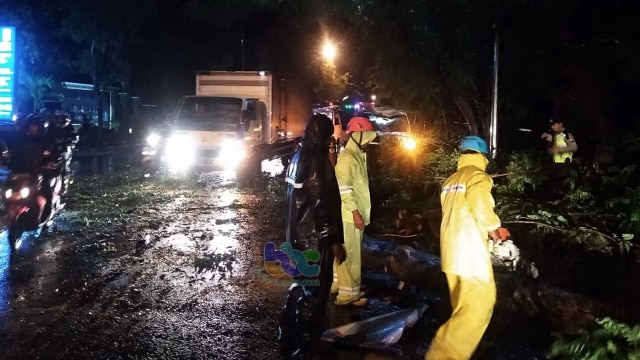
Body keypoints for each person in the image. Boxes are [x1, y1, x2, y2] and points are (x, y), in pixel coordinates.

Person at [425, 135, 502, 360]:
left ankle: (462, 350)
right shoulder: (479, 176)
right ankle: (443, 354)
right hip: (470, 253)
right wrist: (495, 226)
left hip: (450, 253)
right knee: (481, 303)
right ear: (482, 156)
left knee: (462, 308)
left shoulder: (450, 181)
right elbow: (480, 204)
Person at [278, 114, 347, 357]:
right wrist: (334, 239)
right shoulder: (317, 162)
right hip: (315, 241)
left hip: (296, 238)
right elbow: (321, 204)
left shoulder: (297, 157)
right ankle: (305, 348)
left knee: (300, 286)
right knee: (314, 295)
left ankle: (287, 336)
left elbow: (294, 202)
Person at [331, 116, 377, 307]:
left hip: (352, 214)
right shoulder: (348, 158)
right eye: (365, 135)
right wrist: (356, 214)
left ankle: (339, 285)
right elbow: (345, 190)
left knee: (344, 253)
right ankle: (348, 295)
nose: (368, 140)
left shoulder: (356, 155)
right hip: (350, 215)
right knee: (351, 254)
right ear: (356, 134)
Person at [541, 118, 577, 195]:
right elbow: (553, 147)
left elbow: (574, 147)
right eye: (551, 125)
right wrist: (550, 140)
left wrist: (559, 149)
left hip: (564, 164)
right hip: (555, 163)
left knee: (561, 183)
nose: (552, 126)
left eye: (554, 124)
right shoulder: (556, 134)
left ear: (561, 124)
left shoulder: (567, 135)